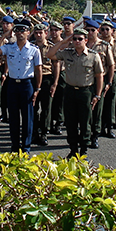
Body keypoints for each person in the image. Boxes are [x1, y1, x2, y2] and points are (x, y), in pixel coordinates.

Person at [47, 28, 104, 159]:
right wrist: (63, 42)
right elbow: (49, 55)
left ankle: (83, 151)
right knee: (71, 122)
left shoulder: (93, 55)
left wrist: (97, 95)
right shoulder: (67, 53)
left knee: (85, 122)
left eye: (80, 39)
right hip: (70, 91)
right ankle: (73, 150)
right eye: (74, 38)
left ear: (86, 40)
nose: (77, 41)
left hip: (85, 92)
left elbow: (99, 75)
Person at [0, 18, 42, 153]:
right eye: (17, 30)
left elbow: (38, 70)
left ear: (28, 32)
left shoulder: (34, 50)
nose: (20, 33)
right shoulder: (9, 47)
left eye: (23, 30)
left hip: (27, 84)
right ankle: (14, 146)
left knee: (27, 117)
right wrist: (4, 35)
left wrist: (37, 88)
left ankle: (25, 147)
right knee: (13, 117)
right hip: (12, 84)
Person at [84, 20, 114, 149]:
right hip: (84, 80)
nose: (90, 33)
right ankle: (85, 133)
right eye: (88, 30)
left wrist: (109, 82)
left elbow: (111, 65)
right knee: (84, 109)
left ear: (98, 30)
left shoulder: (104, 46)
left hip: (98, 80)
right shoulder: (81, 43)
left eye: (93, 30)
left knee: (97, 109)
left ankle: (94, 135)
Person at [31, 23, 59, 146]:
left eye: (40, 32)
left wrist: (55, 82)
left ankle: (44, 133)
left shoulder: (51, 47)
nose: (38, 35)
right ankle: (34, 132)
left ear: (45, 33)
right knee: (33, 107)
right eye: (36, 32)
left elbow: (56, 65)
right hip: (33, 78)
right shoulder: (30, 46)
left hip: (47, 78)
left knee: (46, 108)